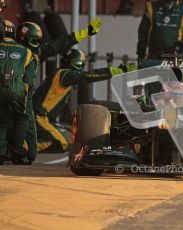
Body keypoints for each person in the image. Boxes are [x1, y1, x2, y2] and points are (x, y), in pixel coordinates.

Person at [8, 18, 103, 161]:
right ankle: (13, 151)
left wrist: (85, 33)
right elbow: (56, 45)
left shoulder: (35, 53)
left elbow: (58, 44)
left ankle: (14, 151)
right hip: (14, 96)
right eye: (33, 40)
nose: (35, 44)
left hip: (21, 98)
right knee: (9, 125)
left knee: (17, 131)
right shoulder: (21, 52)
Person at [32, 49, 136, 153]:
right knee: (62, 144)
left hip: (42, 117)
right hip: (39, 117)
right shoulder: (65, 75)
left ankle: (28, 141)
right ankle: (26, 147)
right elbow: (85, 76)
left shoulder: (60, 74)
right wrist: (111, 72)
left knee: (67, 140)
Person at [0, 21, 36, 165]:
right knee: (21, 118)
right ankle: (18, 154)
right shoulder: (27, 52)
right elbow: (30, 79)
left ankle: (1, 154)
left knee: (1, 120)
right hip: (18, 90)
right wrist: (24, 90)